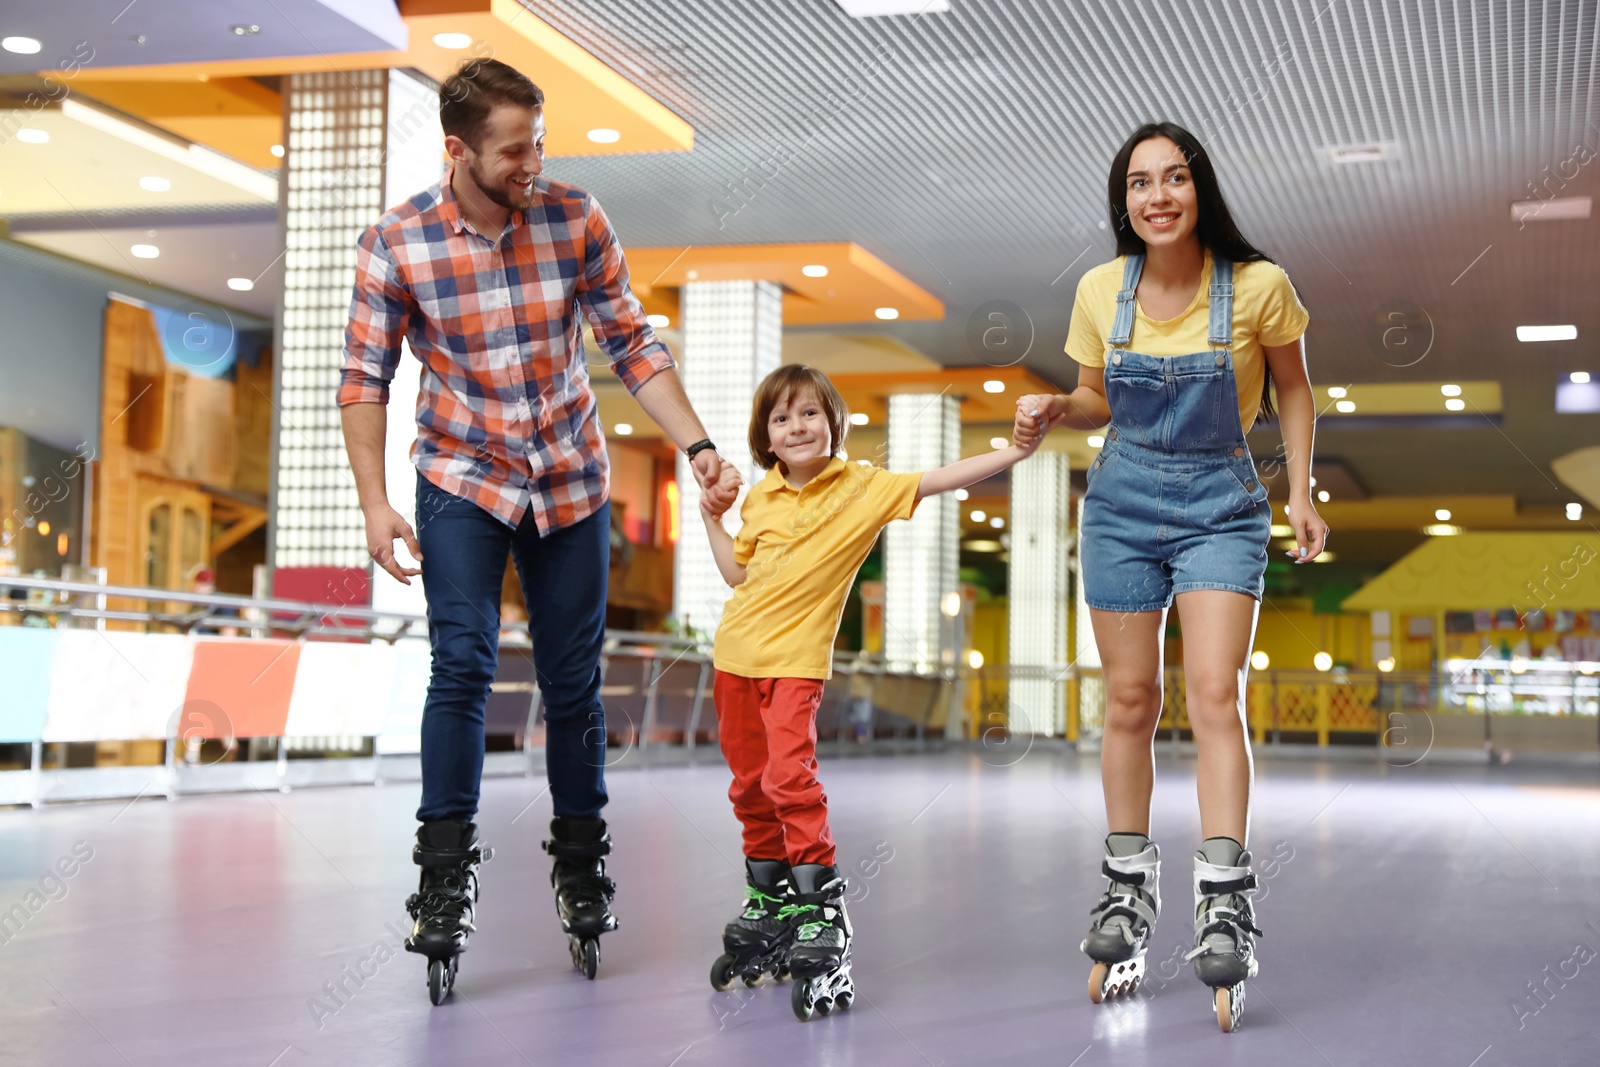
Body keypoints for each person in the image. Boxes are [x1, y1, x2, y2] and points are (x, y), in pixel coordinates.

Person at [338, 58, 739, 1000]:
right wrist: (372, 501)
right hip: (460, 474)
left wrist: (698, 446)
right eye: (515, 150)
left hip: (568, 474)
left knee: (571, 681)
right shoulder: (394, 243)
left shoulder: (575, 217)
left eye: (540, 143)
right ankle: (443, 874)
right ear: (458, 149)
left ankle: (581, 854)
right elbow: (365, 378)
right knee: (463, 661)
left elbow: (630, 340)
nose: (534, 163)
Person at [1014, 122, 1328, 1032]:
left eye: (1175, 179)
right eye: (1140, 183)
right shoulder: (1099, 289)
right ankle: (1125, 890)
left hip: (1223, 508)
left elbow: (1295, 389)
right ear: (1125, 201)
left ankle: (1224, 896)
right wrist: (1049, 406)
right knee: (1127, 698)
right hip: (1118, 505)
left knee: (1215, 692)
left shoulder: (1260, 287)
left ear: (1200, 191)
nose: (1158, 196)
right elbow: (1095, 399)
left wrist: (1300, 492)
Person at [702, 364, 1040, 1021]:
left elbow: (942, 477)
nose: (797, 426)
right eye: (781, 418)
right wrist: (710, 516)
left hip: (797, 663)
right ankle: (769, 898)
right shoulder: (762, 499)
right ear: (765, 438)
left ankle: (820, 905)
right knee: (749, 784)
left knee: (788, 778)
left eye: (809, 413)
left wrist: (1017, 450)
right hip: (734, 658)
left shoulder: (863, 487)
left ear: (833, 422)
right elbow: (738, 575)